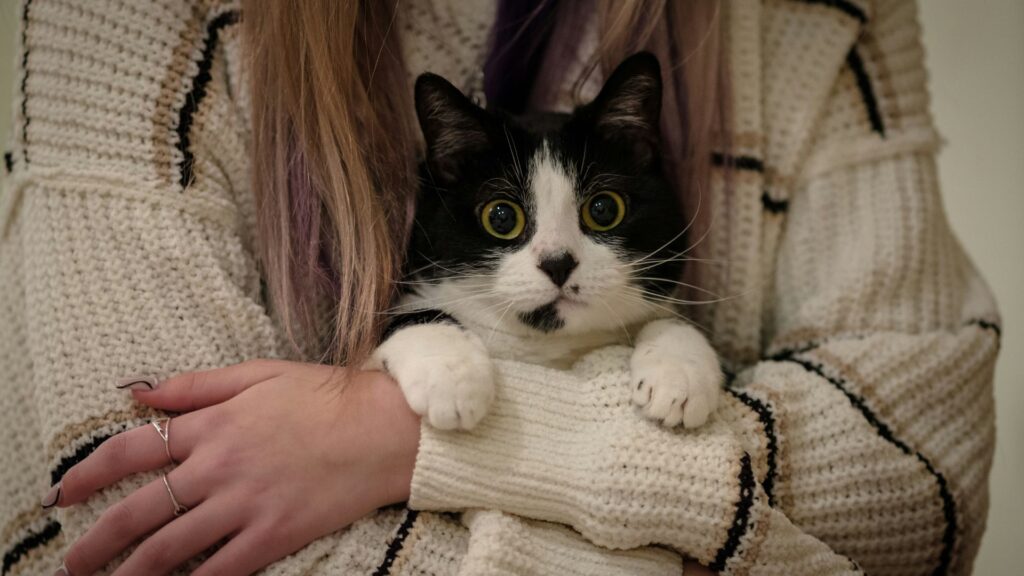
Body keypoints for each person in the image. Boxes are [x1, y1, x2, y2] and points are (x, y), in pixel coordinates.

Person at [0, 0, 1000, 574]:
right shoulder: (135, 23)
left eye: (598, 218)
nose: (558, 254)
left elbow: (918, 484)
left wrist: (404, 442)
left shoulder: (815, 23)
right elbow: (137, 520)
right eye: (510, 225)